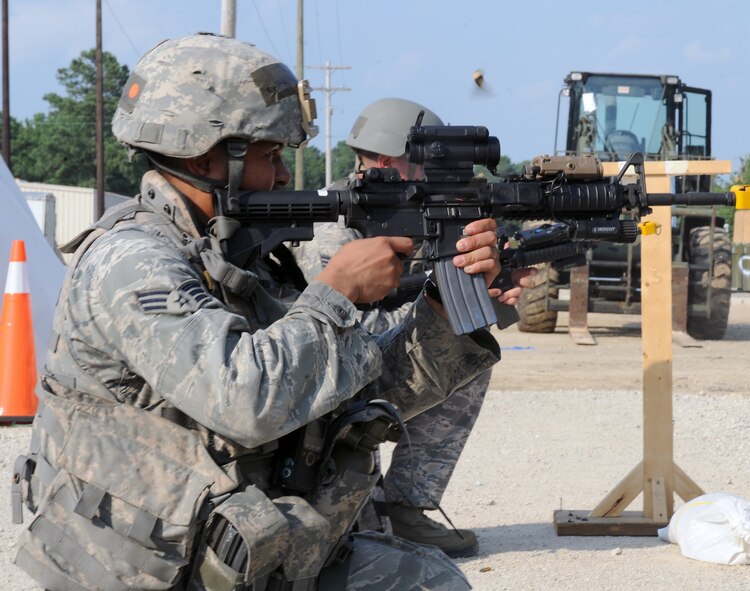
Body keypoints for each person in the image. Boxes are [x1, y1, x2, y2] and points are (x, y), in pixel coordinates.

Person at [12, 33, 505, 591]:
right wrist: (334, 293)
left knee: (429, 581)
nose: (285, 177)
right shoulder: (133, 261)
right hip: (141, 570)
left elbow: (359, 393)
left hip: (240, 545)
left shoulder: (237, 256)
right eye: (270, 155)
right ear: (206, 155)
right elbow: (244, 401)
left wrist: (440, 306)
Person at [293, 98, 527, 559]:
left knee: (466, 353)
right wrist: (438, 305)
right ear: (386, 161)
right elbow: (355, 329)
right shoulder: (333, 225)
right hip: (321, 374)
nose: (434, 176)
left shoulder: (411, 210)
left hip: (356, 364)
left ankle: (403, 507)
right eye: (424, 164)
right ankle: (362, 505)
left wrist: (484, 294)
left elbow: (416, 301)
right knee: (444, 342)